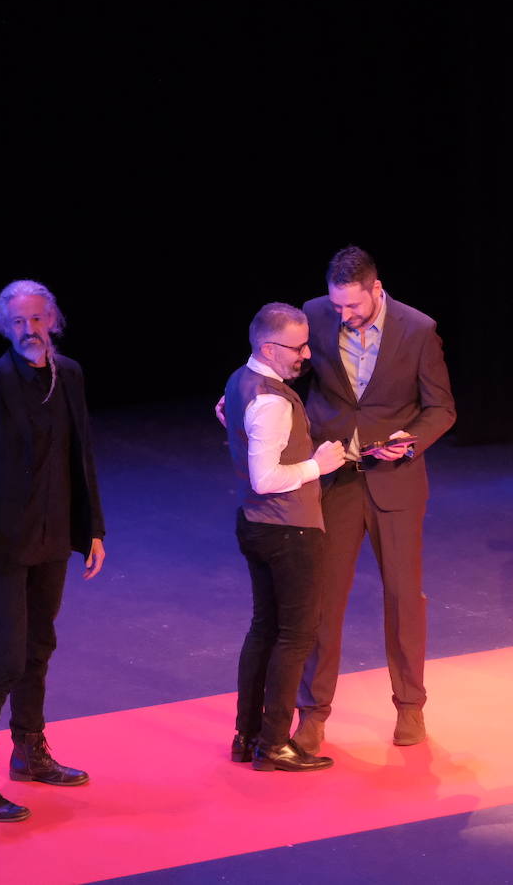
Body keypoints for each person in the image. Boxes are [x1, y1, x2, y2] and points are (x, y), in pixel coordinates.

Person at [0, 280, 105, 822]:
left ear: (52, 319)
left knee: (39, 646)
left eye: (36, 319)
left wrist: (93, 530)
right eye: (17, 322)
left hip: (53, 535)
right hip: (5, 541)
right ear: (3, 327)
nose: (28, 330)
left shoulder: (70, 375)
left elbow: (81, 457)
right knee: (6, 656)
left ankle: (29, 753)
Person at [296, 246, 455, 749]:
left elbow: (441, 409)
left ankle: (410, 706)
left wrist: (411, 441)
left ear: (376, 289)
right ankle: (313, 712)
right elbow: (290, 374)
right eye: (337, 305)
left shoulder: (417, 330)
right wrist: (246, 395)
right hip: (336, 479)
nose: (343, 315)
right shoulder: (314, 314)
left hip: (396, 482)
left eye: (353, 307)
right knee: (323, 601)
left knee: (404, 598)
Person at [225, 303, 346, 771]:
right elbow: (266, 477)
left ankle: (248, 735)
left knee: (264, 630)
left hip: (257, 526)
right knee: (294, 637)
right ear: (269, 348)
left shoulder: (240, 381)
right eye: (297, 348)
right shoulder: (272, 400)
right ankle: (274, 743)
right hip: (289, 530)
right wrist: (321, 464)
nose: (306, 355)